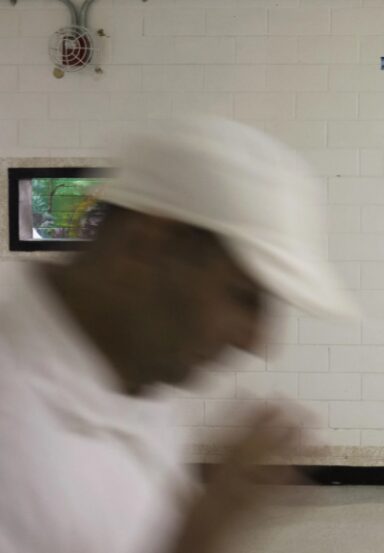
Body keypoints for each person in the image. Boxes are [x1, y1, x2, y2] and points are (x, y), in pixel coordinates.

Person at [0, 117, 356, 553]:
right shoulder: (16, 433)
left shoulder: (135, 380)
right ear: (145, 245)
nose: (256, 341)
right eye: (243, 296)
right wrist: (201, 533)